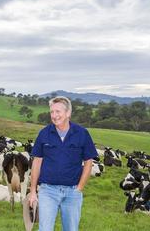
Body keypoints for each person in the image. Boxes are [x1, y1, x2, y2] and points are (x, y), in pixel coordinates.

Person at [27, 96, 98, 231]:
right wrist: (33, 192)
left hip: (72, 192)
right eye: (52, 112)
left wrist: (79, 188)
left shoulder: (82, 133)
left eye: (58, 111)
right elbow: (37, 162)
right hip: (48, 191)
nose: (54, 115)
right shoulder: (44, 133)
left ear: (68, 113)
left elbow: (88, 162)